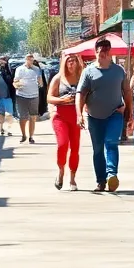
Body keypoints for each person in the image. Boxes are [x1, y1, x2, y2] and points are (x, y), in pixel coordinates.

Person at [77, 37, 132, 192]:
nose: (103, 54)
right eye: (100, 51)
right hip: (94, 117)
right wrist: (79, 114)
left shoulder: (119, 71)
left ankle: (111, 175)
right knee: (98, 149)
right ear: (95, 52)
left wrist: (129, 110)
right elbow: (80, 94)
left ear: (110, 52)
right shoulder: (88, 72)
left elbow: (127, 91)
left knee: (111, 143)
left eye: (105, 51)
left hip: (115, 114)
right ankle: (100, 181)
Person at [49, 52, 84, 190]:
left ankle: (73, 178)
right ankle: (61, 170)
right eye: (69, 61)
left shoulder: (82, 78)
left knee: (75, 148)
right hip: (60, 116)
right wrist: (62, 100)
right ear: (64, 63)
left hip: (76, 117)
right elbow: (49, 97)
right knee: (62, 145)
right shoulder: (58, 78)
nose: (71, 63)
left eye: (74, 61)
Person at [14, 53, 43, 144]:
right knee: (23, 117)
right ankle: (23, 135)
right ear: (25, 59)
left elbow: (40, 80)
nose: (30, 61)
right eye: (29, 59)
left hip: (34, 95)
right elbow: (15, 81)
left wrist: (40, 82)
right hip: (22, 95)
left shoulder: (37, 69)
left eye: (32, 60)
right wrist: (18, 85)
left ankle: (31, 137)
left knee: (33, 117)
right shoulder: (19, 69)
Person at [0, 58, 16, 137]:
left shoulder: (10, 71)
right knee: (0, 114)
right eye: (0, 61)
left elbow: (11, 80)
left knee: (9, 115)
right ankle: (1, 129)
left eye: (3, 61)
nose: (1, 63)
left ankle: (9, 129)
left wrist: (4, 71)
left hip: (8, 97)